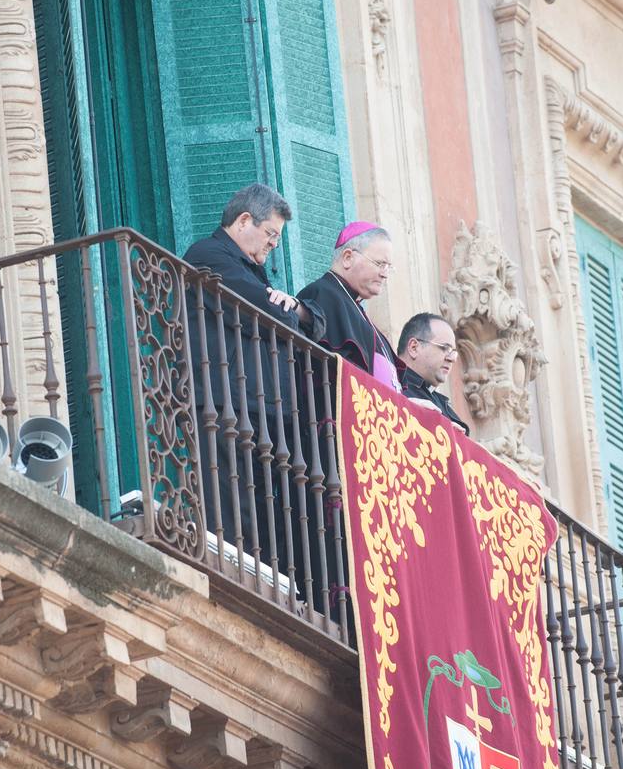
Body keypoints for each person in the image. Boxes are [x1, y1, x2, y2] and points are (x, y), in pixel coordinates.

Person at [182, 184, 324, 580]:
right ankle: (229, 575)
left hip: (252, 406)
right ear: (245, 221)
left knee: (257, 506)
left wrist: (294, 309)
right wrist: (287, 311)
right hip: (221, 400)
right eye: (271, 235)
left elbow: (301, 318)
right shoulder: (208, 254)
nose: (274, 246)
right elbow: (268, 312)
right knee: (228, 499)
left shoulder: (249, 269)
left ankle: (263, 578)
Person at [297, 222, 400, 390]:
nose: (384, 274)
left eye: (388, 267)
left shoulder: (355, 307)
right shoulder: (322, 294)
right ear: (347, 258)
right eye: (380, 264)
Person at [397, 312, 470, 435]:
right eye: (444, 348)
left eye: (453, 352)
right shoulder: (388, 383)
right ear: (414, 348)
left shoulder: (443, 404)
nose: (452, 358)